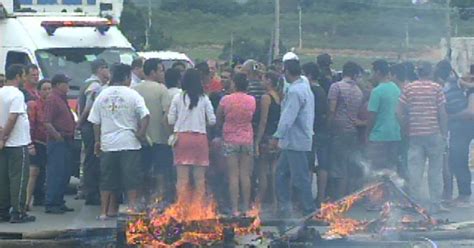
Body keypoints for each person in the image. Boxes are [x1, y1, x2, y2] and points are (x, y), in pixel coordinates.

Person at [88, 63, 150, 219]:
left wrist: (97, 141)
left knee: (107, 180)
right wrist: (141, 134)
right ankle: (132, 210)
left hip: (108, 144)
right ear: (127, 77)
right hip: (129, 143)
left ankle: (103, 212)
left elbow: (95, 121)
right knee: (131, 179)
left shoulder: (102, 94)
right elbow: (145, 116)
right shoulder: (133, 94)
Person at [397, 62, 448, 213]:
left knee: (414, 170)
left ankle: (415, 204)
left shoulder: (409, 88)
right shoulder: (436, 88)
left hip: (415, 135)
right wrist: (444, 134)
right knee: (435, 170)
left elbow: (398, 111)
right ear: (430, 73)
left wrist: (405, 127)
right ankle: (435, 204)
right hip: (433, 134)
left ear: (418, 73)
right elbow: (442, 112)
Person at [272, 59, 315, 217]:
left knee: (300, 177)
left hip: (295, 140)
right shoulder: (305, 87)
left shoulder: (295, 91)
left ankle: (309, 209)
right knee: (281, 173)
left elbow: (287, 117)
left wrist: (277, 136)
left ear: (287, 73)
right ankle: (285, 207)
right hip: (296, 139)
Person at [168, 69, 216, 203]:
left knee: (182, 179)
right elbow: (212, 120)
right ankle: (197, 208)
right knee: (199, 179)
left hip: (182, 138)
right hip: (200, 139)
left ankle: (182, 207)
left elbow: (170, 120)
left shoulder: (178, 97)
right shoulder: (204, 98)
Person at [133, 58, 173, 203]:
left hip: (140, 139)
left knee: (143, 171)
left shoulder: (134, 89)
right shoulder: (162, 89)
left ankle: (142, 200)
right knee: (160, 171)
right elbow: (166, 115)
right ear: (153, 72)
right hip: (160, 138)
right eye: (161, 70)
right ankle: (159, 199)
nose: (163, 73)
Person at [0, 64, 36, 223]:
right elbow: (13, 117)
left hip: (5, 144)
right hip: (16, 143)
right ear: (17, 76)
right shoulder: (17, 94)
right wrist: (4, 136)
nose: (25, 79)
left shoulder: (0, 92)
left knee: (4, 178)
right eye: (23, 75)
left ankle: (3, 209)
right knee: (19, 178)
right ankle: (18, 211)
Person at [216, 73, 256, 214]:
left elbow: (218, 117)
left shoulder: (226, 100)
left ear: (234, 84)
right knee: (245, 175)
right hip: (247, 138)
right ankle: (245, 206)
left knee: (233, 175)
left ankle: (234, 208)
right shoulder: (252, 100)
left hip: (230, 138)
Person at [438, 60, 473, 206]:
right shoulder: (460, 86)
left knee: (458, 159)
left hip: (464, 126)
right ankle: (459, 193)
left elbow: (471, 113)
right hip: (461, 127)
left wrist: (450, 117)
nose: (466, 76)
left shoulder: (470, 90)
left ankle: (464, 195)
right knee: (457, 159)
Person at [327, 62, 364, 199]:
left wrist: (328, 126)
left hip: (338, 130)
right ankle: (347, 197)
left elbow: (331, 110)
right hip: (352, 131)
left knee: (337, 166)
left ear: (343, 72)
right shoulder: (358, 91)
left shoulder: (336, 87)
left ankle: (338, 198)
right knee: (348, 165)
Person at [77, 59, 110, 205]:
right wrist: (80, 123)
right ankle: (91, 193)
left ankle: (88, 190)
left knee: (90, 159)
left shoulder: (86, 82)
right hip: (90, 126)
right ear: (99, 69)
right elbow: (88, 107)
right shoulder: (95, 86)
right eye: (105, 68)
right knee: (93, 160)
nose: (107, 71)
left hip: (87, 126)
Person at [43, 74, 76, 214]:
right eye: (65, 83)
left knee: (64, 173)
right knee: (56, 172)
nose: (68, 86)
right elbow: (47, 122)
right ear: (58, 84)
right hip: (58, 141)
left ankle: (59, 200)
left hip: (67, 140)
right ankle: (51, 203)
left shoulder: (62, 99)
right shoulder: (52, 99)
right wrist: (57, 136)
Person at [302, 62, 330, 206]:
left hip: (312, 132)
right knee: (322, 166)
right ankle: (320, 197)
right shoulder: (322, 90)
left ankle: (307, 199)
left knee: (309, 166)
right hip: (323, 131)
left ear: (309, 75)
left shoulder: (310, 91)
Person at [367, 60, 401, 174]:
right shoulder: (396, 89)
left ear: (378, 72)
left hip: (379, 136)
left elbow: (372, 116)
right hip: (395, 135)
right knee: (391, 170)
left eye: (372, 72)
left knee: (377, 171)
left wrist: (367, 134)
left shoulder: (376, 91)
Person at [255, 71, 281, 211]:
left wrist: (257, 140)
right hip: (276, 136)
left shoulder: (266, 98)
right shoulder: (279, 97)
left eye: (263, 79)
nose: (261, 82)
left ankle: (259, 200)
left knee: (263, 170)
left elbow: (263, 120)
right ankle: (276, 202)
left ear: (269, 81)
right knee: (275, 170)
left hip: (266, 136)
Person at [25, 79, 52, 210]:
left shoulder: (52, 105)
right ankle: (25, 202)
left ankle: (39, 197)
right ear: (39, 91)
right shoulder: (34, 105)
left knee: (44, 172)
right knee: (33, 171)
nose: (47, 92)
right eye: (44, 89)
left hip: (49, 143)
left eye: (49, 89)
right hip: (36, 142)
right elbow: (30, 125)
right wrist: (30, 144)